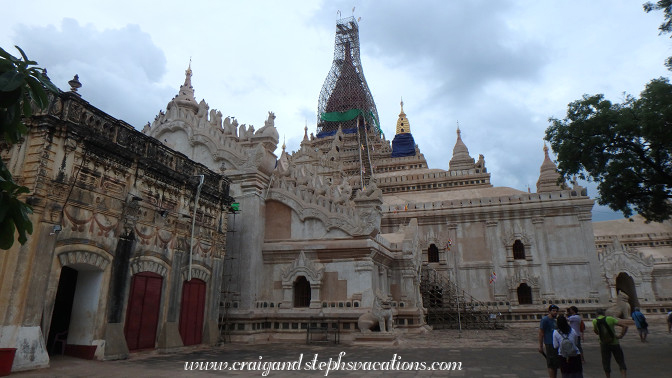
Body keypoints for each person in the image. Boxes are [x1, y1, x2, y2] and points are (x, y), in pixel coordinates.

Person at [593, 308, 629, 378]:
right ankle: (624, 376)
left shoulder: (595, 321)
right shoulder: (610, 319)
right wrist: (621, 335)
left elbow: (596, 332)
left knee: (606, 362)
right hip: (614, 342)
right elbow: (625, 326)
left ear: (596, 314)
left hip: (603, 343)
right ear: (604, 314)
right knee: (620, 360)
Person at [539, 304, 560, 378]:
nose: (555, 312)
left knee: (556, 363)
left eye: (556, 311)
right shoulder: (545, 320)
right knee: (551, 363)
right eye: (553, 311)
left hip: (557, 344)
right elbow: (541, 333)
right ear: (549, 311)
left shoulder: (556, 320)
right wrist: (541, 346)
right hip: (549, 343)